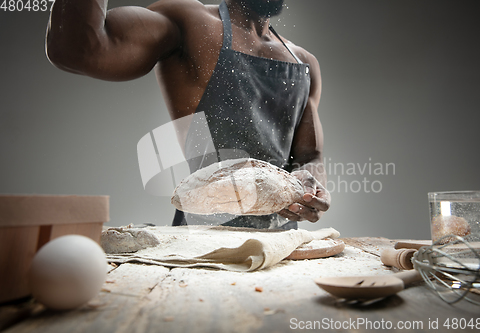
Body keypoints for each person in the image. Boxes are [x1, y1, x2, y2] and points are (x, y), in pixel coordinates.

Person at [46, 0, 331, 229]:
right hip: (201, 244)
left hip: (282, 250)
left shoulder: (304, 62)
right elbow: (78, 48)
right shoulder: (191, 23)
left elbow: (309, 156)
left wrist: (309, 186)